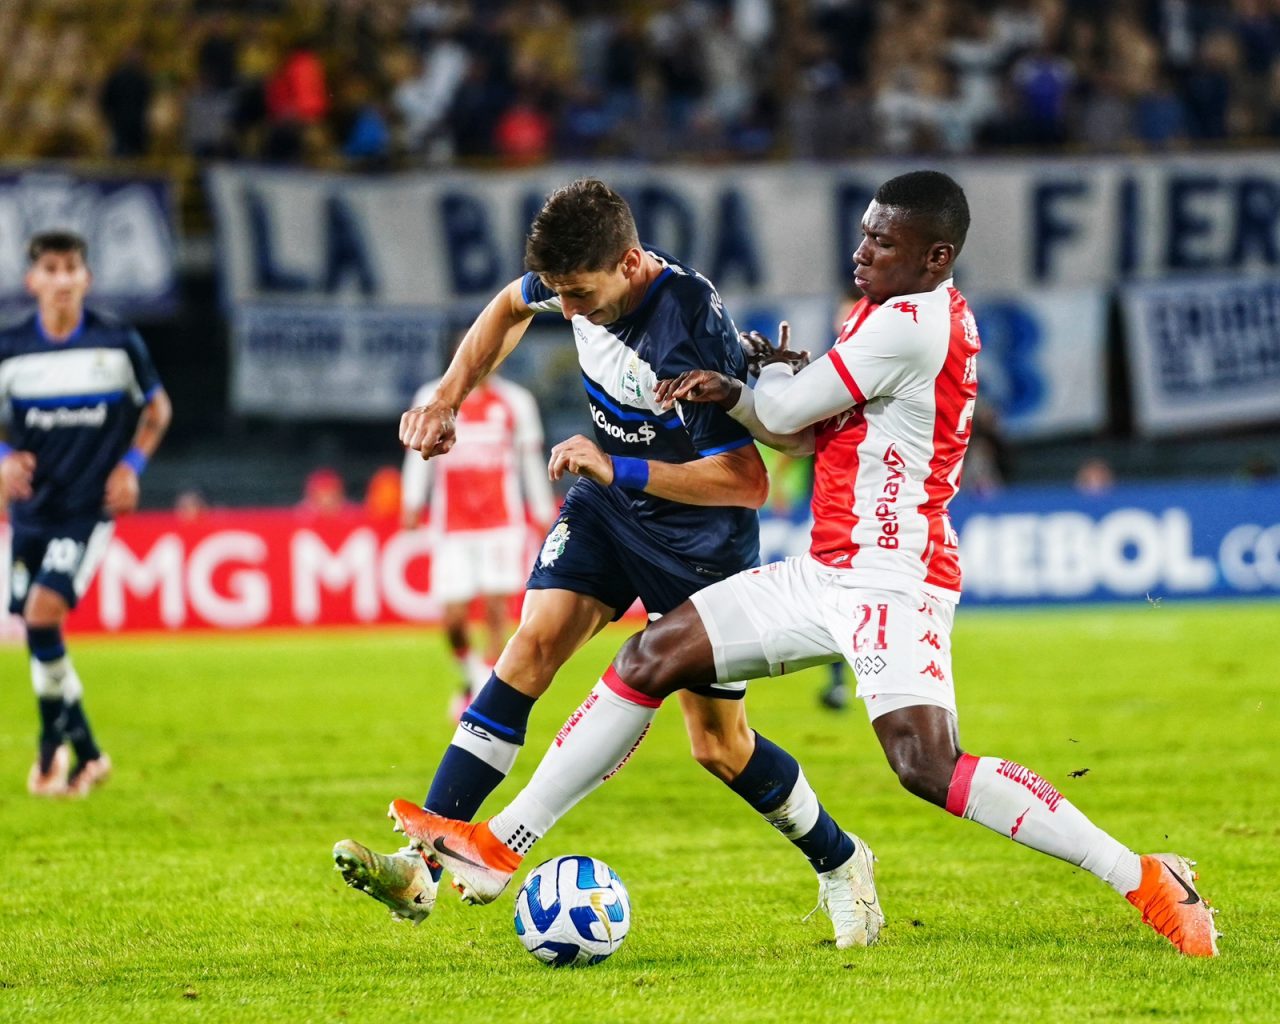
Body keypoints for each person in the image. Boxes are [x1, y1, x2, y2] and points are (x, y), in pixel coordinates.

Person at [395, 171, 1220, 958]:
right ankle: (500, 846)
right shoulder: (890, 313)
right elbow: (806, 425)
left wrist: (737, 388)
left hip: (893, 578)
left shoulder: (909, 323)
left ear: (935, 256)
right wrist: (760, 381)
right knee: (648, 657)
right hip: (828, 569)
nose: (861, 252)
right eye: (864, 234)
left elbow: (783, 422)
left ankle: (1143, 876)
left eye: (883, 242)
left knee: (926, 766)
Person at [334, 178, 882, 947]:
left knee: (718, 745)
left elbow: (745, 482)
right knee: (531, 645)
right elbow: (507, 307)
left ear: (628, 263)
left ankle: (842, 860)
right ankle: (420, 866)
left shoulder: (686, 324)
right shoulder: (578, 280)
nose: (569, 310)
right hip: (608, 507)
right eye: (560, 293)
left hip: (699, 541)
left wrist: (616, 466)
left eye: (581, 295)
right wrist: (450, 396)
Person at [0, 230, 172, 798]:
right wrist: (3, 458)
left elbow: (157, 408)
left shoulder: (116, 342)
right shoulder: (11, 346)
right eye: (50, 269)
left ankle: (50, 748)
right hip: (30, 510)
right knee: (39, 627)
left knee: (42, 614)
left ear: (86, 278)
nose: (62, 279)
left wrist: (131, 466)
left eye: (71, 267)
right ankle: (90, 755)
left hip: (86, 510)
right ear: (32, 280)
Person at [399, 368, 555, 713]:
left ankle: (484, 694)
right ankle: (473, 676)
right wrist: (412, 501)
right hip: (452, 525)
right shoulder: (431, 398)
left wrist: (543, 510)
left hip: (502, 523)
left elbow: (529, 458)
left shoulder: (516, 401)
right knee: (454, 620)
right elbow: (417, 454)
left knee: (497, 609)